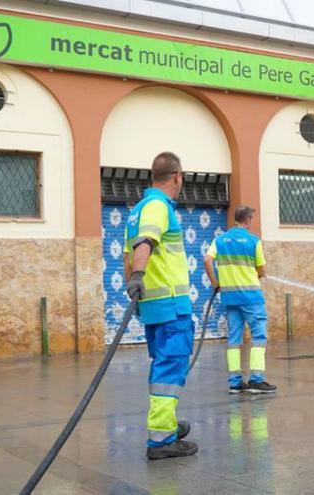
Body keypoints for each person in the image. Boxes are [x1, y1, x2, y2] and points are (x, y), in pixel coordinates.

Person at [124, 152, 197, 460]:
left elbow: (127, 255)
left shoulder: (138, 209)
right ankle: (162, 438)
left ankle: (165, 423)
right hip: (170, 307)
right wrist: (138, 275)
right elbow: (145, 243)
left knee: (163, 367)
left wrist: (134, 283)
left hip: (154, 307)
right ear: (177, 176)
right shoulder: (157, 207)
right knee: (171, 367)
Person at [204, 206, 277, 394]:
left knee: (234, 338)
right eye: (252, 218)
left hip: (229, 297)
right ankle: (256, 380)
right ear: (248, 220)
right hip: (251, 297)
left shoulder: (220, 240)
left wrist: (215, 283)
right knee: (258, 336)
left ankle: (235, 382)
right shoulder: (254, 241)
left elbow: (207, 260)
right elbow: (262, 270)